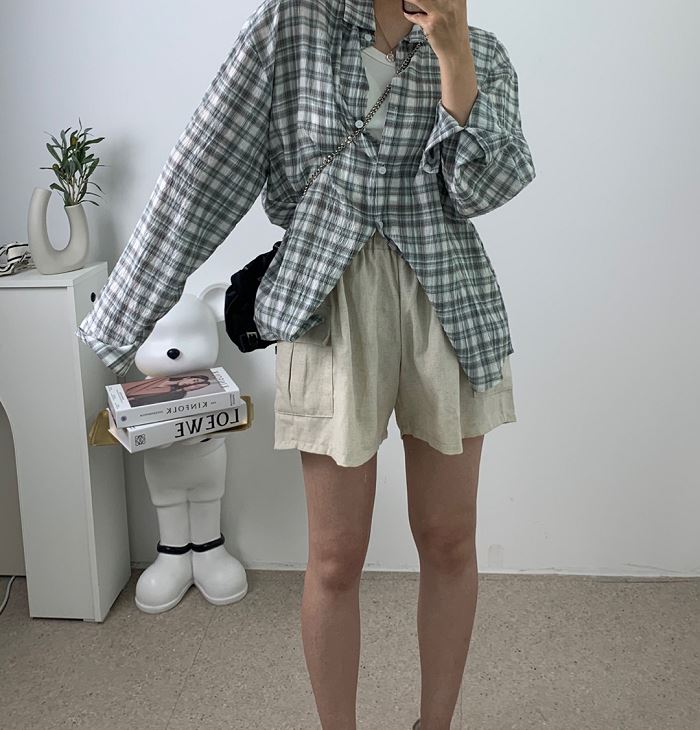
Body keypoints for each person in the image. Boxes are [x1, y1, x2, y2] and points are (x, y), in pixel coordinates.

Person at [76, 1, 536, 728]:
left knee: (449, 541)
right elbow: (204, 170)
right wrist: (121, 317)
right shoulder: (294, 24)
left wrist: (453, 55)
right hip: (327, 302)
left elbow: (483, 188)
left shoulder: (482, 49)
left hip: (447, 303)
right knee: (334, 558)